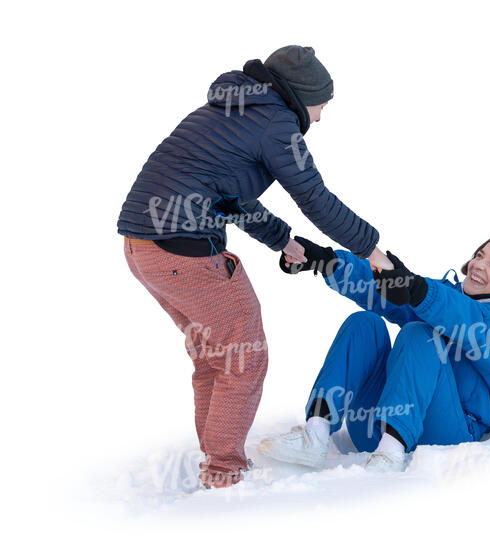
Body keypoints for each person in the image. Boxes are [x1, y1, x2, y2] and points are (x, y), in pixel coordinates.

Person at [117, 45, 394, 488]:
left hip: (143, 248)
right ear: (301, 95)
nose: (320, 118)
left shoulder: (232, 109)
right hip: (184, 251)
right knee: (245, 358)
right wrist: (372, 250)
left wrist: (282, 239)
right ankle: (224, 473)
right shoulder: (277, 122)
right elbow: (315, 199)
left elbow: (228, 196)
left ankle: (215, 461)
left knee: (215, 358)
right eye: (321, 104)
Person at [260, 234, 490, 472]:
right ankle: (316, 433)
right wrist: (329, 263)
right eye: (480, 254)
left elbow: (466, 319)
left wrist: (417, 290)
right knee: (365, 324)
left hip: (448, 436)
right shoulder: (448, 295)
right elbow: (386, 291)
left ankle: (389, 456)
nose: (478, 264)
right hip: (373, 428)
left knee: (420, 334)